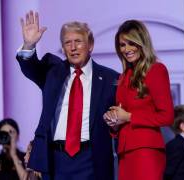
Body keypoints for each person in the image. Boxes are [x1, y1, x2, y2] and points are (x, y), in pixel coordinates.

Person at [16, 10, 119, 180]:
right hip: (56, 159)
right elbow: (30, 67)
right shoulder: (52, 71)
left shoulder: (110, 78)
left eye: (78, 42)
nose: (73, 47)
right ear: (63, 48)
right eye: (67, 43)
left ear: (90, 45)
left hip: (92, 159)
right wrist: (29, 45)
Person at [103, 19, 174, 180]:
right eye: (122, 45)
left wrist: (128, 117)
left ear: (141, 43)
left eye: (131, 43)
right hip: (124, 152)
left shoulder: (156, 70)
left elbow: (167, 116)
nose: (126, 49)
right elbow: (123, 114)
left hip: (146, 151)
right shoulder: (124, 76)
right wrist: (114, 122)